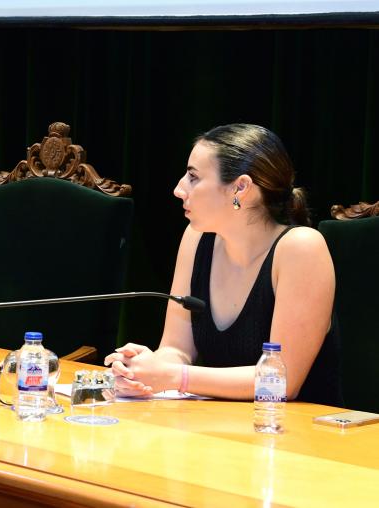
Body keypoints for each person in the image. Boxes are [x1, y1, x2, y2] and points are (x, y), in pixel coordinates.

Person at [104, 123, 341, 405]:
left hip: (296, 437)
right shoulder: (196, 237)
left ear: (240, 188)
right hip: (218, 427)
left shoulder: (301, 248)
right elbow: (176, 348)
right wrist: (147, 372)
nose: (179, 189)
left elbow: (281, 382)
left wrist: (175, 376)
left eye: (193, 177)